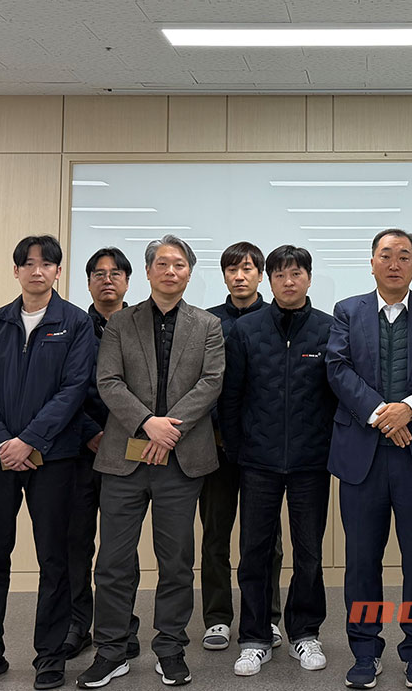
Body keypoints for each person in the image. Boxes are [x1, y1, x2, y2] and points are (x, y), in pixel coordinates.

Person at [77, 235, 225, 689]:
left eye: (179, 264)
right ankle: (111, 650)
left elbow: (211, 382)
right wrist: (147, 424)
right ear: (147, 272)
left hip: (181, 459)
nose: (170, 271)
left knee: (176, 561)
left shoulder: (208, 325)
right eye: (162, 263)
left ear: (189, 273)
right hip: (123, 459)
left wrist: (168, 430)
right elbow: (108, 380)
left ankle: (170, 648)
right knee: (113, 561)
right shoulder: (121, 323)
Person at [0, 235, 95, 690]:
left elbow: (73, 390)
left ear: (58, 271)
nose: (38, 271)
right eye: (29, 263)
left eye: (47, 263)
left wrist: (31, 440)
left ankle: (50, 656)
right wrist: (4, 442)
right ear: (16, 271)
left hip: (54, 458)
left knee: (54, 557)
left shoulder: (75, 324)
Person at [327, 228, 412, 690]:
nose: (395, 263)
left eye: (404, 255)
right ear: (372, 262)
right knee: (362, 560)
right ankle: (365, 651)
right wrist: (383, 414)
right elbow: (337, 369)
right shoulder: (347, 311)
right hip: (361, 459)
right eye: (386, 255)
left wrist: (410, 408)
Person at [223, 245, 336, 677]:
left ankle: (305, 633)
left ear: (309, 278)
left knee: (309, 553)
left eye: (297, 274)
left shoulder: (328, 329)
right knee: (254, 552)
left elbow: (336, 396)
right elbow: (231, 396)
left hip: (311, 462)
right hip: (258, 462)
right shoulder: (246, 329)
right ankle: (254, 638)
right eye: (280, 275)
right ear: (268, 280)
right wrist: (238, 450)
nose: (289, 282)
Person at [200, 242, 285, 653]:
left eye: (248, 269)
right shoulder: (207, 321)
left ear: (260, 275)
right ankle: (217, 617)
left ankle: (268, 616)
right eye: (232, 269)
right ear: (223, 276)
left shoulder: (277, 319)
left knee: (266, 539)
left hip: (262, 451)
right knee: (215, 534)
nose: (239, 276)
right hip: (215, 447)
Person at [63, 247, 141, 662]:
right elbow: (63, 388)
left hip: (128, 449)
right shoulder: (72, 326)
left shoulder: (141, 325)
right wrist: (91, 432)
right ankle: (78, 624)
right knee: (76, 541)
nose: (107, 280)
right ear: (88, 281)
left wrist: (119, 433)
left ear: (128, 281)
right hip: (80, 449)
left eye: (115, 273)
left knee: (121, 547)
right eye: (98, 273)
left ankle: (123, 625)